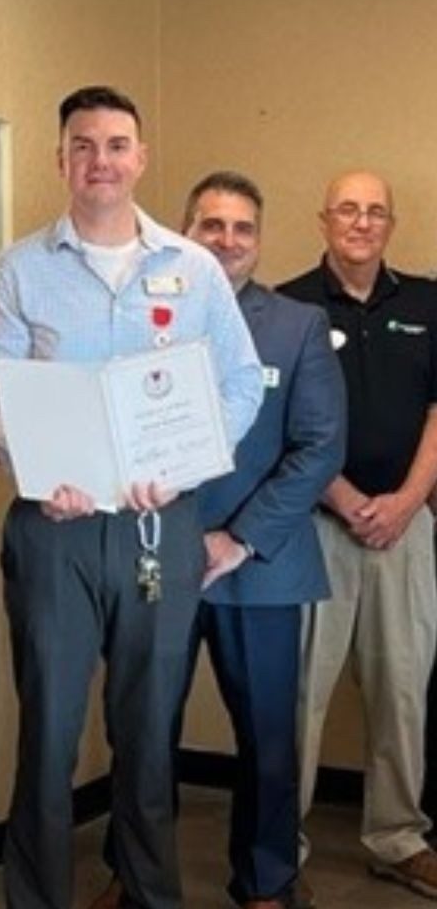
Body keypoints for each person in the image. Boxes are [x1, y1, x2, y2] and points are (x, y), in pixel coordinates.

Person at [0, 87, 264, 909]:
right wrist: (35, 466)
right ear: (61, 158)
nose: (100, 160)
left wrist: (188, 464)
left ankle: (149, 895)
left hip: (158, 521)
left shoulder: (192, 267)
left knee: (146, 733)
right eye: (83, 144)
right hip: (55, 527)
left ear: (139, 157)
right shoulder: (20, 268)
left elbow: (240, 383)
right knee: (51, 733)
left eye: (116, 144)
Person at [93, 171, 346, 909]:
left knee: (269, 739)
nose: (227, 241)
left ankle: (267, 883)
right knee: (143, 729)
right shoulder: (141, 317)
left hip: (258, 566)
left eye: (242, 228)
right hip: (152, 556)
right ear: (185, 232)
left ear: (258, 241)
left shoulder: (296, 327)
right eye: (212, 225)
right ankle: (132, 874)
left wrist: (236, 540)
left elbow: (319, 447)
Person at [280, 170, 437, 902]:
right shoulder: (288, 306)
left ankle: (397, 838)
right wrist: (345, 500)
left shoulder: (428, 302)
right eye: (348, 207)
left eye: (376, 210)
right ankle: (282, 848)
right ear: (324, 219)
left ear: (391, 224)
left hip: (408, 530)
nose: (363, 221)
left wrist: (407, 500)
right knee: (300, 695)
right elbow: (278, 424)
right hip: (317, 528)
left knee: (403, 691)